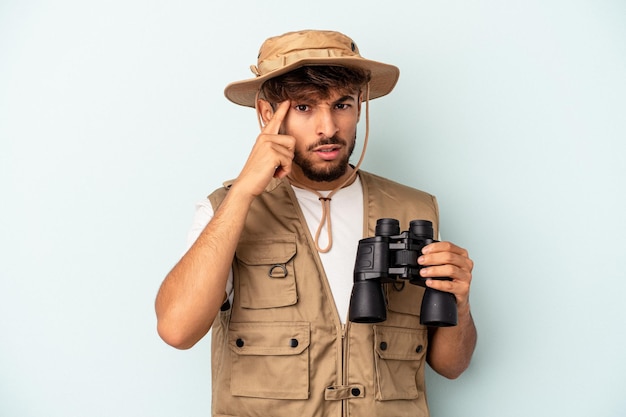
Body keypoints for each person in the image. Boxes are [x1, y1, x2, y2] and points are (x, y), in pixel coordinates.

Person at [155, 29, 477, 417]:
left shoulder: (414, 209)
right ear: (267, 115)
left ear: (360, 106)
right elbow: (176, 330)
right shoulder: (227, 209)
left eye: (342, 105)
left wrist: (460, 300)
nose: (328, 127)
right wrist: (243, 193)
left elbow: (451, 366)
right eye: (305, 108)